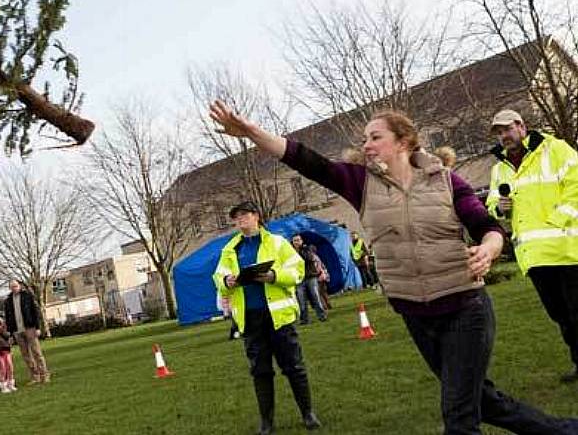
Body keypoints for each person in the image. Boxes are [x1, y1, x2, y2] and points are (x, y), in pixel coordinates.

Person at [210, 100, 578, 434]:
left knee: (459, 417)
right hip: (416, 314)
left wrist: (489, 248)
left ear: (403, 141)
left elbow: (488, 227)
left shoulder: (447, 182)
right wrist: (251, 133)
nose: (366, 144)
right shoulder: (361, 184)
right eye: (365, 138)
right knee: (483, 402)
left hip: (465, 309)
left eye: (375, 136)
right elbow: (306, 161)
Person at [214, 201, 322, 434]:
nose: (239, 221)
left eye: (244, 215)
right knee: (260, 371)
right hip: (250, 318)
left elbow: (298, 270)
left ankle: (308, 413)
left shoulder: (277, 242)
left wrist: (274, 276)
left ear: (256, 216)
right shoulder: (230, 249)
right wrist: (226, 281)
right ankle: (267, 422)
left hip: (279, 316)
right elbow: (218, 275)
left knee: (294, 366)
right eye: (236, 217)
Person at [487, 109, 578, 383]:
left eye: (507, 129)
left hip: (568, 249)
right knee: (560, 314)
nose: (504, 136)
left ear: (521, 125)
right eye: (499, 132)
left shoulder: (555, 149)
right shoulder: (499, 169)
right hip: (534, 256)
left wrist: (557, 221)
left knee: (577, 312)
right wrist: (499, 208)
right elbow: (492, 205)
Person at [3, 280, 50, 384]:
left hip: (29, 328)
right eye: (12, 287)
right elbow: (8, 318)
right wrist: (10, 334)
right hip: (17, 331)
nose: (14, 288)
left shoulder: (27, 296)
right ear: (10, 288)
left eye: (15, 286)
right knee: (26, 355)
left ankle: (44, 374)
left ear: (19, 286)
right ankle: (35, 376)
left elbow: (35, 312)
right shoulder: (8, 301)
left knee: (37, 352)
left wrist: (37, 327)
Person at [291, 234, 327, 324]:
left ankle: (322, 315)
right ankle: (304, 319)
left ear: (302, 241)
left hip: (311, 277)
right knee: (301, 300)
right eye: (295, 240)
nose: (296, 242)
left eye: (298, 240)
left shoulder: (308, 249)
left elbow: (309, 258)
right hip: (299, 278)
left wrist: (302, 250)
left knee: (315, 297)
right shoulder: (290, 251)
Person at [311, 245, 332, 310]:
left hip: (318, 276)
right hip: (322, 276)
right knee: (324, 292)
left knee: (319, 293)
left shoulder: (312, 258)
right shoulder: (317, 257)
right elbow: (323, 266)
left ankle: (324, 306)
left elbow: (316, 268)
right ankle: (328, 304)